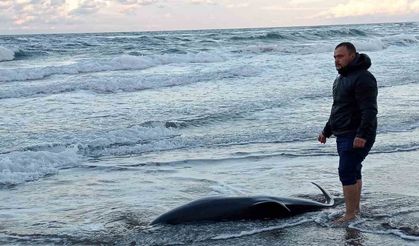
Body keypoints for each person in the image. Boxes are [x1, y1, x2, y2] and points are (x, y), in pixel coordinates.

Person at [318, 42, 378, 223]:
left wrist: (362, 135)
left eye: (340, 56)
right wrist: (326, 131)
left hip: (356, 133)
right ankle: (355, 210)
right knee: (354, 170)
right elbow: (338, 108)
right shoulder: (340, 79)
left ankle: (350, 214)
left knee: (346, 171)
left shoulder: (364, 78)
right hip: (343, 133)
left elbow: (369, 110)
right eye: (335, 57)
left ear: (352, 55)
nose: (337, 60)